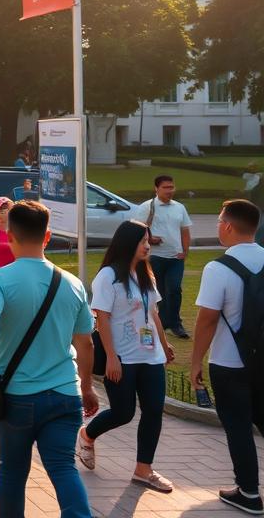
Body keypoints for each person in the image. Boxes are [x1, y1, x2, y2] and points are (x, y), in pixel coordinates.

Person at [0, 200, 98, 518]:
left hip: (17, 397)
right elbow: (86, 343)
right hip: (65, 394)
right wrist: (88, 387)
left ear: (9, 236)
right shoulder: (73, 283)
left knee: (12, 470)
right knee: (63, 467)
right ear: (47, 236)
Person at [76, 220, 175, 493]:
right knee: (123, 413)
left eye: (148, 241)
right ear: (127, 243)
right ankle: (87, 434)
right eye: (143, 241)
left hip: (151, 356)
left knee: (153, 411)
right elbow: (102, 318)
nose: (147, 246)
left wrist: (164, 344)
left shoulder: (145, 274)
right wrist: (111, 357)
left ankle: (144, 469)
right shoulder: (108, 276)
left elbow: (153, 313)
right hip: (122, 357)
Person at [190, 199, 264, 513]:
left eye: (220, 221)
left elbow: (207, 320)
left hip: (229, 363)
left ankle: (249, 493)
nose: (219, 226)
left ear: (229, 226)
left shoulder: (218, 268)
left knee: (238, 427)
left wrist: (195, 362)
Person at [134, 175, 194, 339]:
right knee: (157, 291)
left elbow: (185, 231)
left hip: (175, 257)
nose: (169, 190)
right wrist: (151, 239)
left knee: (174, 289)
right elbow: (138, 230)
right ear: (156, 189)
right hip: (154, 256)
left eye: (171, 187)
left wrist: (185, 251)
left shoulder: (179, 207)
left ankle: (175, 324)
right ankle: (161, 322)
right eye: (165, 187)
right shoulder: (147, 207)